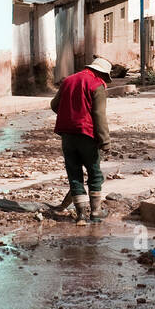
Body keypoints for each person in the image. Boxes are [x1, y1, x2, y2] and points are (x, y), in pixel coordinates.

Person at [50, 56, 113, 224]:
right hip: (86, 135)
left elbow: (54, 105)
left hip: (67, 136)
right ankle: (96, 211)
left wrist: (70, 114)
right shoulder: (96, 85)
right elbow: (99, 115)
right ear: (101, 73)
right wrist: (105, 141)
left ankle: (81, 215)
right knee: (94, 173)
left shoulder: (68, 81)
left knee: (74, 173)